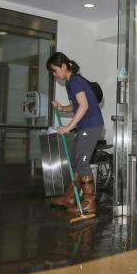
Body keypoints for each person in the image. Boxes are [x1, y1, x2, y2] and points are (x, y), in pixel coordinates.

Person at [47, 52, 104, 215]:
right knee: (75, 161)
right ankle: (70, 198)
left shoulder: (76, 81)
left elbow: (84, 106)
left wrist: (69, 127)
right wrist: (62, 107)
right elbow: (76, 106)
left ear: (64, 66)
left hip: (91, 126)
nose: (54, 74)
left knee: (82, 162)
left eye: (54, 70)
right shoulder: (70, 83)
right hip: (86, 126)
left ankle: (89, 203)